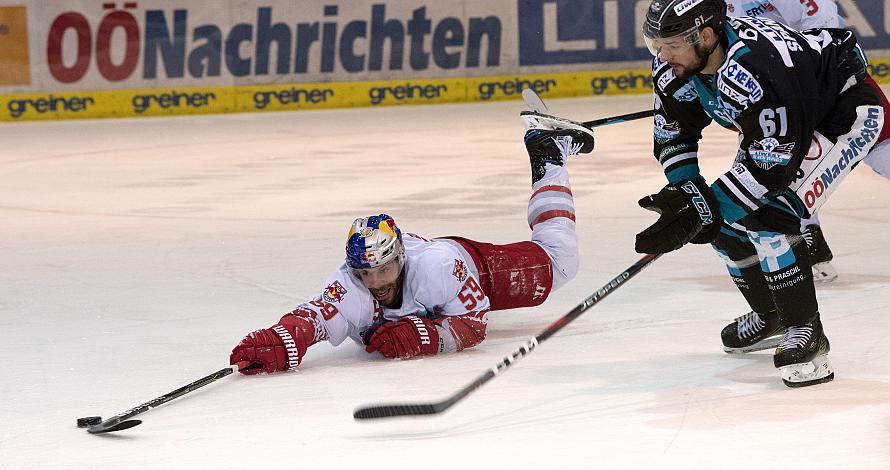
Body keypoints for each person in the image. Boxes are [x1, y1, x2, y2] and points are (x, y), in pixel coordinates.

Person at [637, 0, 888, 387]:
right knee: (721, 222)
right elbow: (674, 136)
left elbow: (771, 168)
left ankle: (807, 335)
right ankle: (772, 315)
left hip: (842, 112)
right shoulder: (673, 67)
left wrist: (705, 208)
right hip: (785, 121)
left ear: (705, 36)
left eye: (671, 45)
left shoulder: (756, 67)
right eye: (656, 44)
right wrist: (689, 195)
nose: (662, 56)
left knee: (769, 212)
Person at [228, 113, 595, 373]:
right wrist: (283, 340)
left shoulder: (437, 267)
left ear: (400, 258)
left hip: (471, 267)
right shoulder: (351, 285)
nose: (376, 283)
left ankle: (548, 153)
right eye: (366, 273)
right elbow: (317, 317)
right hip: (441, 282)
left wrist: (428, 337)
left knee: (561, 262)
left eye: (384, 270)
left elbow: (474, 321)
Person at [724, 0, 890, 282]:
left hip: (826, 74)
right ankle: (805, 238)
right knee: (769, 164)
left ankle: (802, 235)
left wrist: (798, 73)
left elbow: (823, 28)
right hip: (774, 90)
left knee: (883, 146)